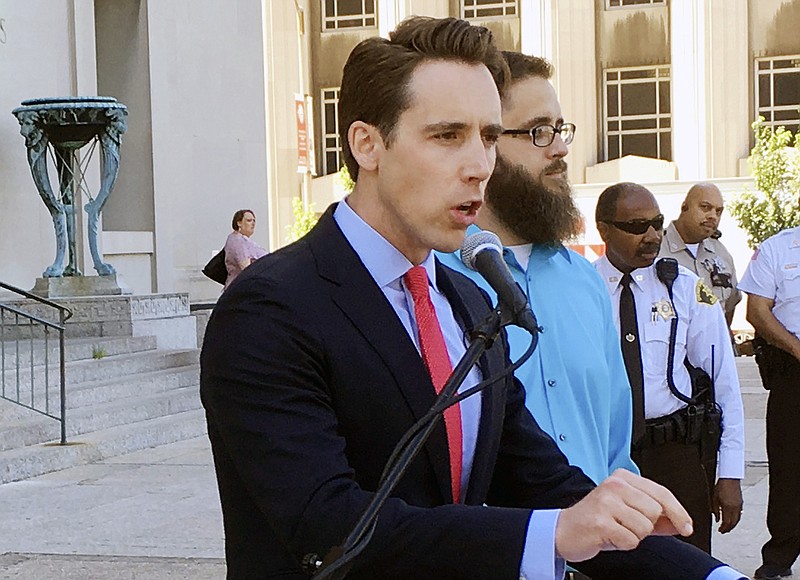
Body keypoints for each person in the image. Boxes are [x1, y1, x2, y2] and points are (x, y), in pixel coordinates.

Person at [201, 17, 746, 579]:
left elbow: (548, 484)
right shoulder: (270, 307)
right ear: (367, 144)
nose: (479, 166)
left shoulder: (465, 298)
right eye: (447, 136)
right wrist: (553, 533)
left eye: (488, 136)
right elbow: (327, 525)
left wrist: (709, 575)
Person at [438, 51, 637, 486]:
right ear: (484, 143)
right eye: (538, 132)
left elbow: (616, 447)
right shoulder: (433, 282)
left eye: (561, 130)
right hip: (492, 549)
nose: (561, 149)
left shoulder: (584, 281)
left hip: (595, 550)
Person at [594, 182, 745, 554]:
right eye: (636, 226)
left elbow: (723, 380)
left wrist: (730, 472)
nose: (651, 236)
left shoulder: (683, 288)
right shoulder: (582, 288)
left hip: (674, 453)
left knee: (688, 561)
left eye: (657, 223)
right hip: (604, 454)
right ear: (604, 229)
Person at [738, 224, 800, 580]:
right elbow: (757, 311)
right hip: (793, 372)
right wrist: (795, 348)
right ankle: (779, 556)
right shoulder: (777, 249)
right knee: (789, 467)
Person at [658, 183, 742, 327]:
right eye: (705, 207)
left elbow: (729, 307)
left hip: (712, 347)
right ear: (684, 207)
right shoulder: (656, 249)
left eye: (718, 211)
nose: (713, 216)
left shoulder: (721, 254)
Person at [223, 209, 267, 287]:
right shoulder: (237, 241)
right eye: (249, 220)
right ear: (239, 223)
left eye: (254, 221)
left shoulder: (242, 240)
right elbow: (246, 268)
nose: (253, 223)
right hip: (242, 288)